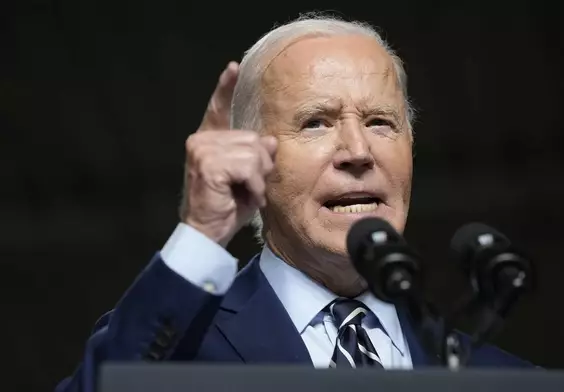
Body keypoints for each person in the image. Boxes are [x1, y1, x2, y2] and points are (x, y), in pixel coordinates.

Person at [56, 14, 530, 392]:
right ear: (249, 156)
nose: (359, 152)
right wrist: (202, 232)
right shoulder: (174, 347)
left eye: (381, 122)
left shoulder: (502, 377)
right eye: (316, 123)